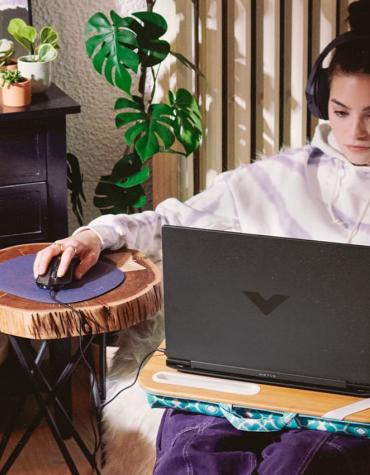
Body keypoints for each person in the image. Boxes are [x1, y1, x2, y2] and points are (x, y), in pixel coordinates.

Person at [34, 1, 370, 473]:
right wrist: (94, 235)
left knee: (297, 462)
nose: (355, 130)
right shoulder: (275, 178)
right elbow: (171, 221)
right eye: (340, 110)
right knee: (192, 454)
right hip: (236, 375)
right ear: (322, 103)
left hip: (347, 401)